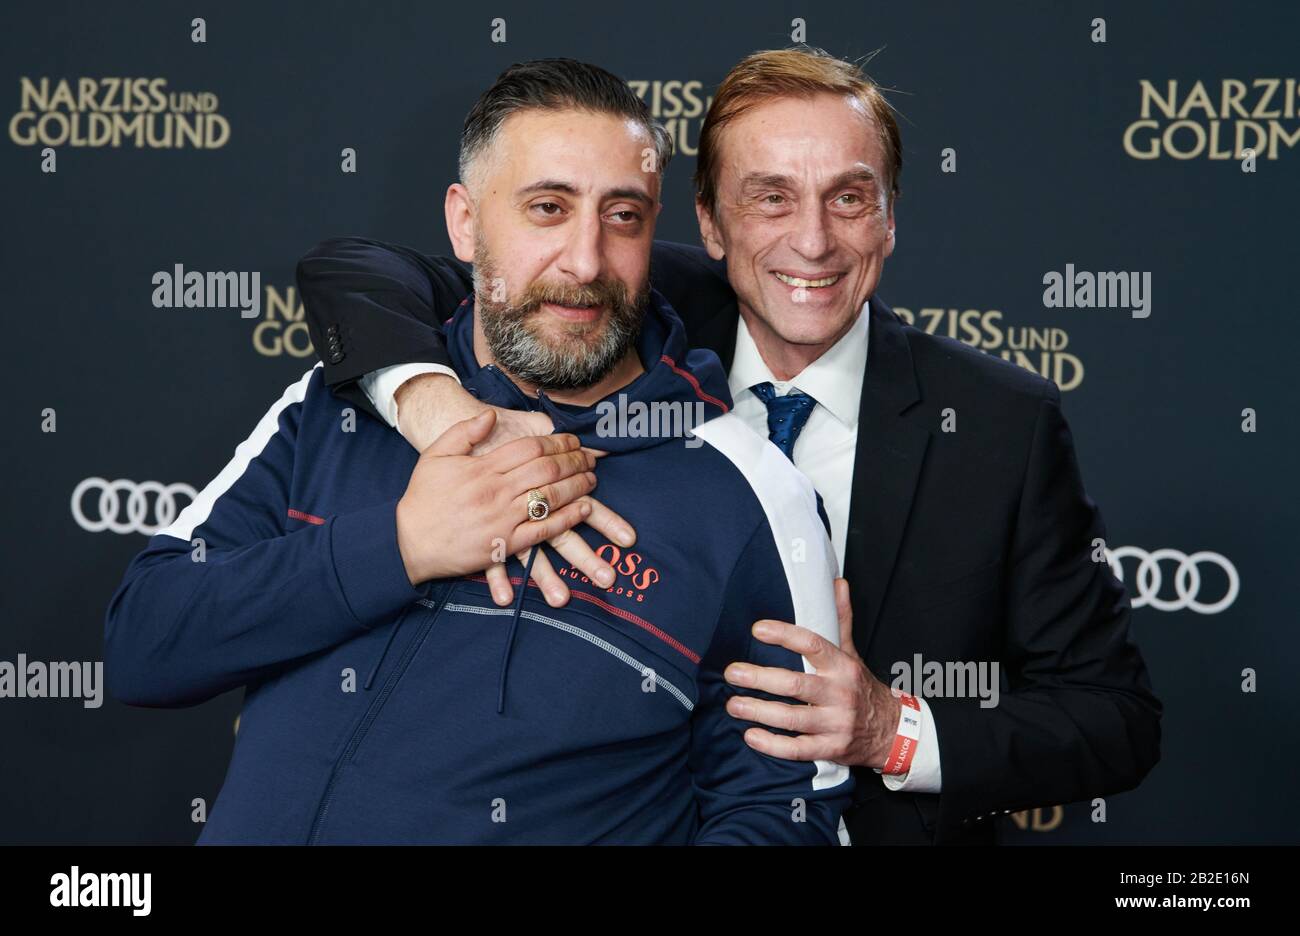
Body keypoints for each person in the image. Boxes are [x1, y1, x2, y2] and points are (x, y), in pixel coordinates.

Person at [297, 47, 1162, 844]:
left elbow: (1116, 719)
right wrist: (434, 403)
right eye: (771, 196)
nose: (813, 240)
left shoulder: (1000, 423)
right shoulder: (622, 296)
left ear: (890, 219)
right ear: (710, 225)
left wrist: (889, 729)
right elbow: (361, 273)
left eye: (850, 197)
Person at [103, 58, 852, 844]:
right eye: (547, 208)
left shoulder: (749, 492)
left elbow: (782, 815)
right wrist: (403, 545)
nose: (586, 261)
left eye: (623, 216)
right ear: (464, 221)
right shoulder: (344, 402)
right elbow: (145, 645)